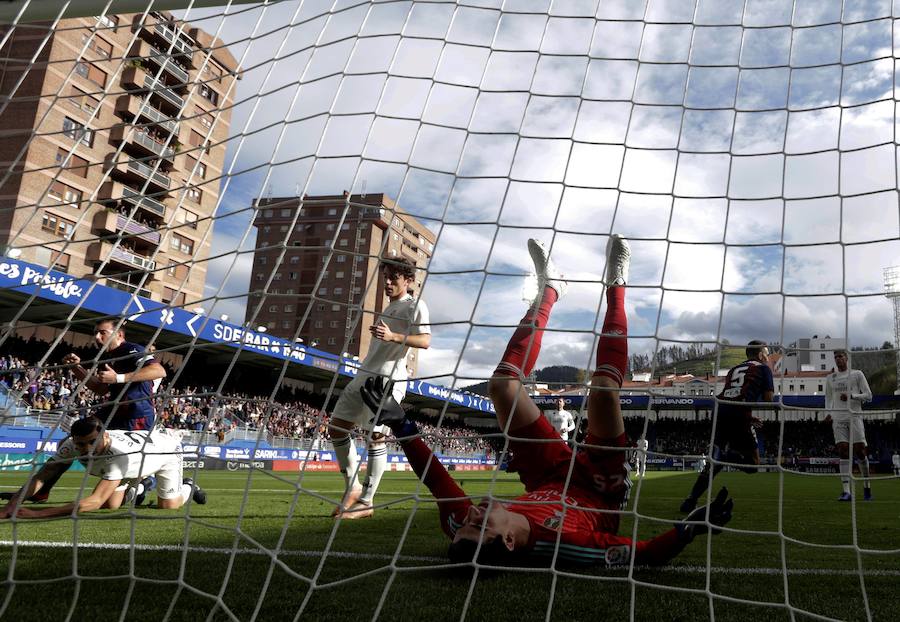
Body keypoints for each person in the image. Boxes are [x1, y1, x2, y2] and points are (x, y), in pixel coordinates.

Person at [361, 237, 733, 566]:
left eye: (467, 522)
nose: (472, 513)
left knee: (502, 387)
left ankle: (550, 290)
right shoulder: (568, 545)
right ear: (509, 541)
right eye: (479, 524)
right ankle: (617, 284)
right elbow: (647, 554)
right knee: (603, 391)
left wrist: (402, 425)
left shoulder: (461, 523)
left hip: (545, 475)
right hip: (597, 491)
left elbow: (437, 481)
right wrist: (689, 528)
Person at [0, 317, 166, 504]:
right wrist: (76, 368)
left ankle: (142, 486)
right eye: (95, 333)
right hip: (111, 411)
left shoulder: (132, 350)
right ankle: (41, 492)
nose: (96, 337)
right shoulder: (107, 356)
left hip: (136, 416)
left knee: (111, 503)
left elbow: (159, 371)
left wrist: (118, 378)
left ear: (118, 334)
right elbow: (101, 388)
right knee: (69, 442)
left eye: (102, 332)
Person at [329, 257, 431, 520]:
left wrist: (394, 336)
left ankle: (367, 501)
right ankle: (352, 488)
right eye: (385, 277)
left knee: (375, 437)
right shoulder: (388, 308)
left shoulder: (415, 305)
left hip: (387, 380)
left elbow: (425, 340)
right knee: (337, 427)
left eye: (393, 278)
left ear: (408, 280)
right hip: (363, 375)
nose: (386, 282)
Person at [0, 416, 206, 520]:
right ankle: (142, 486)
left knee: (168, 506)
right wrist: (14, 504)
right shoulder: (71, 446)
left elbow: (94, 501)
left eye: (92, 442)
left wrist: (39, 514)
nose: (86, 450)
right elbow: (43, 476)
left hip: (165, 453)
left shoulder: (118, 454)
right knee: (112, 506)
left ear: (105, 436)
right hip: (131, 465)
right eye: (80, 444)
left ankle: (189, 485)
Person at [680, 340, 774, 513]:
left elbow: (732, 396)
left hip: (720, 412)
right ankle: (725, 456)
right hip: (739, 415)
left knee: (712, 465)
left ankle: (690, 500)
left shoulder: (733, 370)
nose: (768, 357)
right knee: (753, 464)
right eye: (767, 354)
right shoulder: (763, 368)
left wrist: (748, 414)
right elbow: (769, 399)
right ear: (761, 354)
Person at [824, 349, 873, 501]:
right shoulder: (830, 378)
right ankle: (846, 491)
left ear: (847, 358)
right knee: (843, 450)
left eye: (840, 356)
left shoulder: (857, 374)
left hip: (854, 416)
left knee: (860, 452)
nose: (838, 359)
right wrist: (828, 413)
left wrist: (852, 396)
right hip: (838, 418)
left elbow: (869, 396)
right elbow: (828, 398)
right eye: (836, 357)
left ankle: (867, 486)